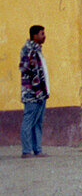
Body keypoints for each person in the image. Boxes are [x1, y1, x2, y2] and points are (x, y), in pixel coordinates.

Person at [19, 25, 49, 157]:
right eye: (42, 34)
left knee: (38, 122)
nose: (44, 36)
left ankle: (37, 149)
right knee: (28, 121)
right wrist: (37, 91)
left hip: (40, 93)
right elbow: (25, 69)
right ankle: (26, 151)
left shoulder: (37, 50)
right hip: (32, 94)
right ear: (35, 36)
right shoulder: (28, 50)